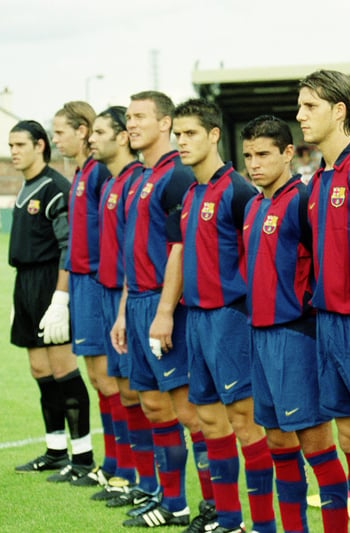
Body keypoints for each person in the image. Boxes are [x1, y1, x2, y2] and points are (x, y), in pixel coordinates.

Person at [242, 114, 350, 533]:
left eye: (264, 154)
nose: (254, 163)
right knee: (276, 442)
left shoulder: (303, 201)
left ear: (288, 153)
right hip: (261, 336)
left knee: (316, 446)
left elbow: (327, 266)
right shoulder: (253, 205)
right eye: (249, 155)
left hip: (297, 334)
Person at [172, 98, 275, 533]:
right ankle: (228, 521)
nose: (181, 141)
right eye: (177, 134)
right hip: (196, 320)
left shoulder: (237, 190)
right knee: (209, 420)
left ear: (214, 135)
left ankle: (265, 524)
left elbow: (259, 262)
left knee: (245, 424)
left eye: (190, 133)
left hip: (230, 319)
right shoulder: (191, 192)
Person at [110, 91, 208, 528]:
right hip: (137, 303)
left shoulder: (177, 176)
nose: (131, 124)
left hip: (165, 306)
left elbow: (180, 249)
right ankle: (173, 503)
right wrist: (123, 311)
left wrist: (165, 311)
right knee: (151, 404)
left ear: (165, 123)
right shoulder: (138, 177)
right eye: (128, 117)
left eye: (139, 117)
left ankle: (212, 503)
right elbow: (135, 251)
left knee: (189, 411)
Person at [296, 69, 350, 532]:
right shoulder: (316, 181)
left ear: (338, 111)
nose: (299, 115)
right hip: (327, 324)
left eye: (309, 106)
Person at [8, 120, 90, 477]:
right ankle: (55, 450)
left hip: (50, 283)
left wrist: (60, 299)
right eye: (10, 145)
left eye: (20, 144)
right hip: (25, 283)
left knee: (63, 370)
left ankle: (83, 458)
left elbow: (67, 248)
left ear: (40, 145)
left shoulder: (56, 188)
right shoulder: (25, 187)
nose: (13, 151)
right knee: (40, 371)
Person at [88, 106, 155, 505]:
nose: (92, 139)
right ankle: (134, 477)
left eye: (100, 131)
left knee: (145, 395)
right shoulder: (110, 182)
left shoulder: (136, 181)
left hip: (134, 296)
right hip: (112, 292)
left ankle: (154, 485)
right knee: (127, 392)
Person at [45, 101, 108, 485]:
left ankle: (126, 472)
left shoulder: (100, 173)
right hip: (83, 283)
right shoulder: (82, 172)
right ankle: (108, 467)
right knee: (99, 379)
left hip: (101, 284)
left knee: (113, 381)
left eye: (60, 132)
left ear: (82, 130)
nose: (56, 140)